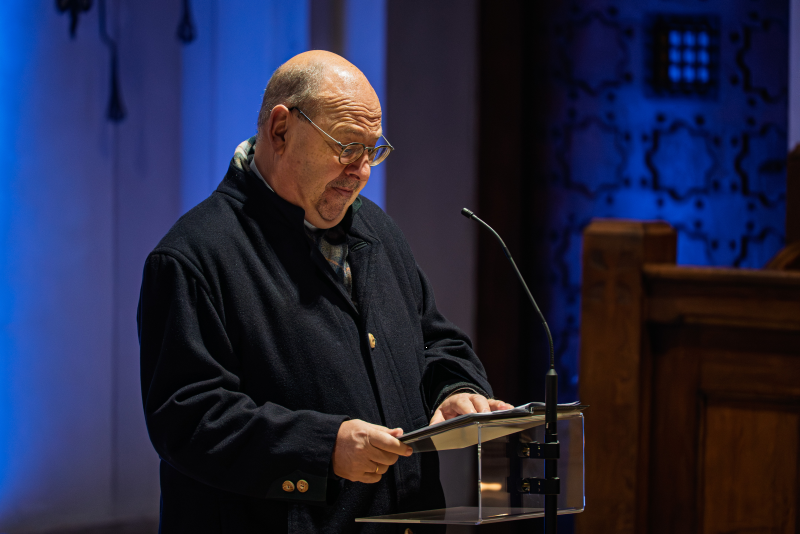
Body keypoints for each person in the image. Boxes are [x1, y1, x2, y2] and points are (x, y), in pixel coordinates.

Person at [137, 50, 511, 534]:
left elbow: (436, 341)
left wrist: (456, 390)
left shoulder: (376, 230)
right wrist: (322, 446)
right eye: (346, 147)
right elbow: (187, 420)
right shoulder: (193, 256)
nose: (361, 171)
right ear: (280, 131)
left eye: (373, 151)